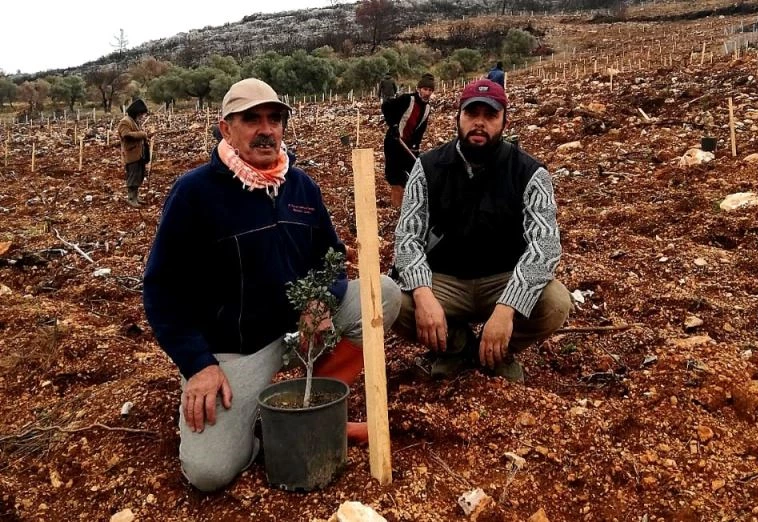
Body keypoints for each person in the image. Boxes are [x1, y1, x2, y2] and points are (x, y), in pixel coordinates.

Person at [142, 78, 401, 492]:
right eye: (252, 119)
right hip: (234, 350)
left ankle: (311, 402)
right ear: (226, 128)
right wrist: (198, 365)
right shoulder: (194, 194)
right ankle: (256, 418)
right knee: (209, 473)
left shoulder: (301, 188)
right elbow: (160, 290)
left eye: (274, 118)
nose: (266, 129)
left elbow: (331, 260)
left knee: (381, 294)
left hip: (297, 334)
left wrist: (320, 299)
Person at [392, 79, 571, 383]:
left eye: (490, 116)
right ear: (458, 117)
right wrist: (422, 294)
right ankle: (456, 346)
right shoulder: (428, 167)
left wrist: (508, 307)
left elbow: (545, 245)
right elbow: (408, 237)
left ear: (504, 121)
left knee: (556, 302)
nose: (479, 123)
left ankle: (497, 352)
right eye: (472, 113)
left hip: (502, 281)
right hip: (445, 283)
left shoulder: (529, 172)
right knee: (390, 298)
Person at [381, 72, 435, 208]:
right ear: (419, 89)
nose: (427, 93)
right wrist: (393, 125)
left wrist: (416, 148)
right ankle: (396, 210)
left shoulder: (427, 108)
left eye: (430, 90)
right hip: (394, 142)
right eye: (425, 89)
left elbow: (420, 130)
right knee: (395, 178)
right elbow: (386, 107)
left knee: (416, 176)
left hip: (408, 147)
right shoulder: (407, 99)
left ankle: (414, 206)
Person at [117, 99, 150, 207]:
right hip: (131, 154)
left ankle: (136, 196)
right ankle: (131, 198)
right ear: (136, 112)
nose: (142, 116)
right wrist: (142, 134)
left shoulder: (134, 121)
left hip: (139, 154)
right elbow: (126, 135)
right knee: (133, 176)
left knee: (138, 176)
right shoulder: (125, 122)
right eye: (141, 113)